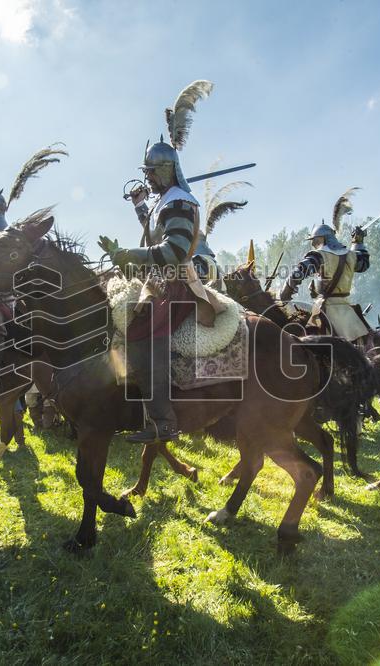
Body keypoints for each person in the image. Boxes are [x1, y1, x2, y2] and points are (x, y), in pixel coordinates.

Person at [98, 80, 225, 442]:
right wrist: (122, 254)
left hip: (179, 284)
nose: (148, 177)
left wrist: (131, 254)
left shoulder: (179, 202)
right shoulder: (164, 202)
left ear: (168, 170)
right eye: (146, 172)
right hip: (160, 284)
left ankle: (164, 421)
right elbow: (152, 238)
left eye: (152, 171)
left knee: (142, 333)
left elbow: (173, 252)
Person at [279, 187, 372, 345]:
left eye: (315, 241)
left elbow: (297, 273)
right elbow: (364, 264)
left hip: (325, 311)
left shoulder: (318, 256)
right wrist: (358, 242)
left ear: (321, 239)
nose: (314, 245)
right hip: (348, 311)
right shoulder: (351, 255)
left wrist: (284, 294)